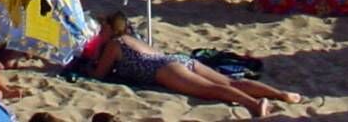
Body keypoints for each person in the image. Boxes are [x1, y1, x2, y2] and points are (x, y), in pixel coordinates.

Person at [89, 11, 301, 116]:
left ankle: (255, 105)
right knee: (230, 82)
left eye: (102, 28)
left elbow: (99, 75)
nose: (99, 32)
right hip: (179, 60)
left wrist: (97, 51)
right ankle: (281, 94)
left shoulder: (114, 45)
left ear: (109, 28)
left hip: (165, 70)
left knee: (212, 90)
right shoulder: (134, 38)